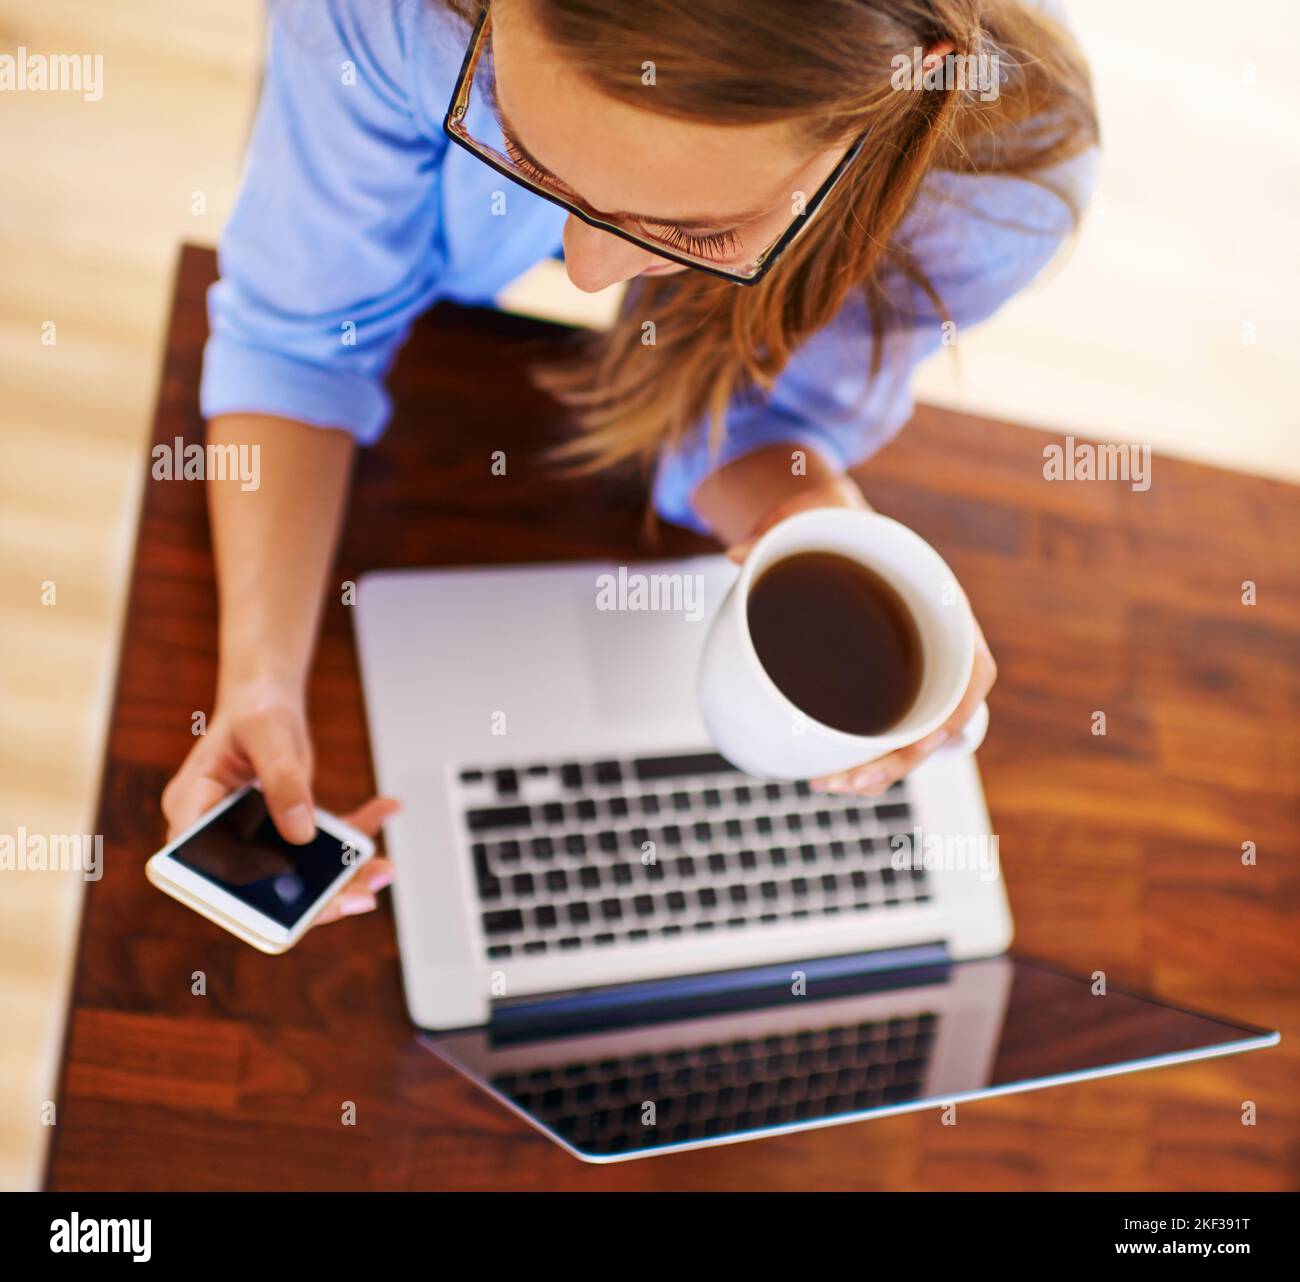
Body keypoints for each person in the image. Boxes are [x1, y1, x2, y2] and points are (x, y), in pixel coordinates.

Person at [162, 0, 1099, 921]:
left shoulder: (993, 182)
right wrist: (258, 681)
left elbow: (753, 421)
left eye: (695, 230)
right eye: (528, 160)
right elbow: (303, 337)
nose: (586, 270)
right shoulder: (389, 17)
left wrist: (816, 523)